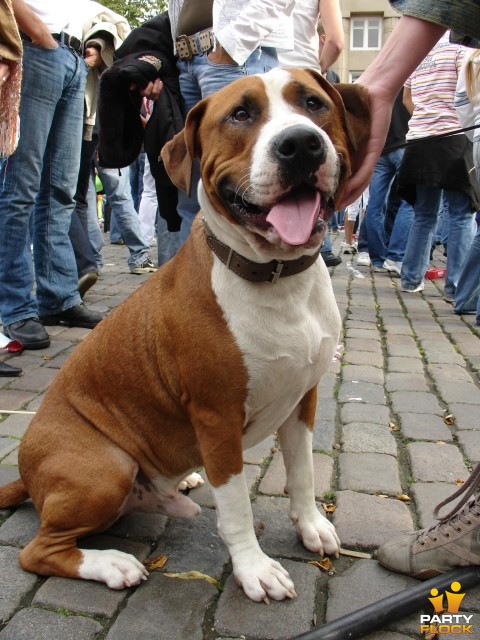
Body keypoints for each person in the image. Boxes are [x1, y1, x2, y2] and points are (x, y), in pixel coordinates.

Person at [0, 0, 104, 351]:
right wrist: (40, 34)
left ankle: (58, 297)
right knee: (20, 187)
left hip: (72, 58)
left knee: (60, 191)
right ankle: (14, 306)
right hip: (37, 48)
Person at [169, 0, 295, 244]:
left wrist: (233, 41)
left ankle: (271, 280)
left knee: (256, 194)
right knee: (190, 196)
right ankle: (197, 281)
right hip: (186, 61)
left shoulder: (232, 44)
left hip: (236, 53)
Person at [397, 32, 477, 299]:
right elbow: (466, 93)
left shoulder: (422, 47)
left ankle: (410, 279)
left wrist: (425, 118)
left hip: (419, 139)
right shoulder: (462, 45)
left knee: (424, 214)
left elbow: (407, 99)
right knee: (461, 215)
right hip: (453, 135)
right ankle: (455, 286)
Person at [278, 1, 344, 268]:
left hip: (264, 69)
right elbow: (337, 41)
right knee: (314, 173)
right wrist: (319, 70)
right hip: (305, 82)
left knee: (278, 176)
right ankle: (319, 244)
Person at [357, 91, 413, 275]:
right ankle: (395, 256)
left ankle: (378, 257)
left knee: (375, 204)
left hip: (383, 147)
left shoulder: (386, 83)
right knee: (409, 201)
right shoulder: (409, 80)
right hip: (404, 143)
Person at [453, 49, 480, 325]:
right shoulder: (465, 57)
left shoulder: (472, 59)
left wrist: (475, 135)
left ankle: (466, 297)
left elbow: (462, 106)